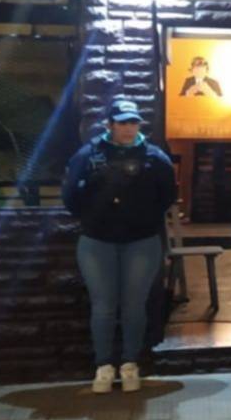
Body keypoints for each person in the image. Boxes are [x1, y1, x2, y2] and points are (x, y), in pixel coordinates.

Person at [61, 98, 177, 394]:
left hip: (141, 240)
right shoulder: (88, 155)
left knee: (134, 305)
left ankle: (129, 363)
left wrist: (143, 217)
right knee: (103, 305)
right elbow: (70, 195)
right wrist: (95, 215)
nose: (129, 128)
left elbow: (167, 196)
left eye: (133, 122)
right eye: (123, 122)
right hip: (97, 240)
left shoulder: (154, 157)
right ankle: (104, 365)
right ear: (110, 124)